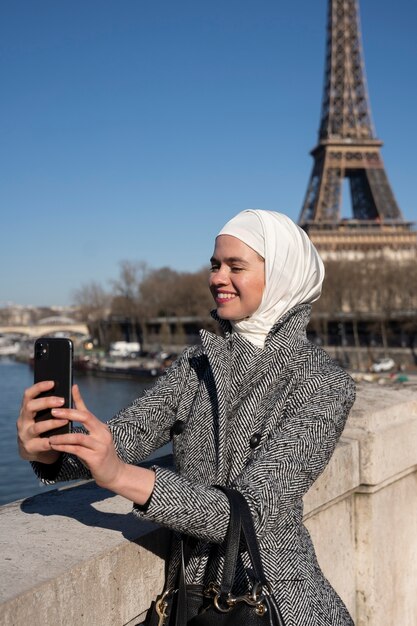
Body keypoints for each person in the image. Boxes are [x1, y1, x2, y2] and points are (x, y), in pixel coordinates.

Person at [17, 209, 356, 625]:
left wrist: (121, 476)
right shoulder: (195, 364)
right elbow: (125, 436)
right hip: (190, 598)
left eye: (236, 266)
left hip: (274, 601)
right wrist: (51, 448)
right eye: (215, 264)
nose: (217, 277)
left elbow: (247, 511)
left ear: (283, 275)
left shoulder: (324, 383)